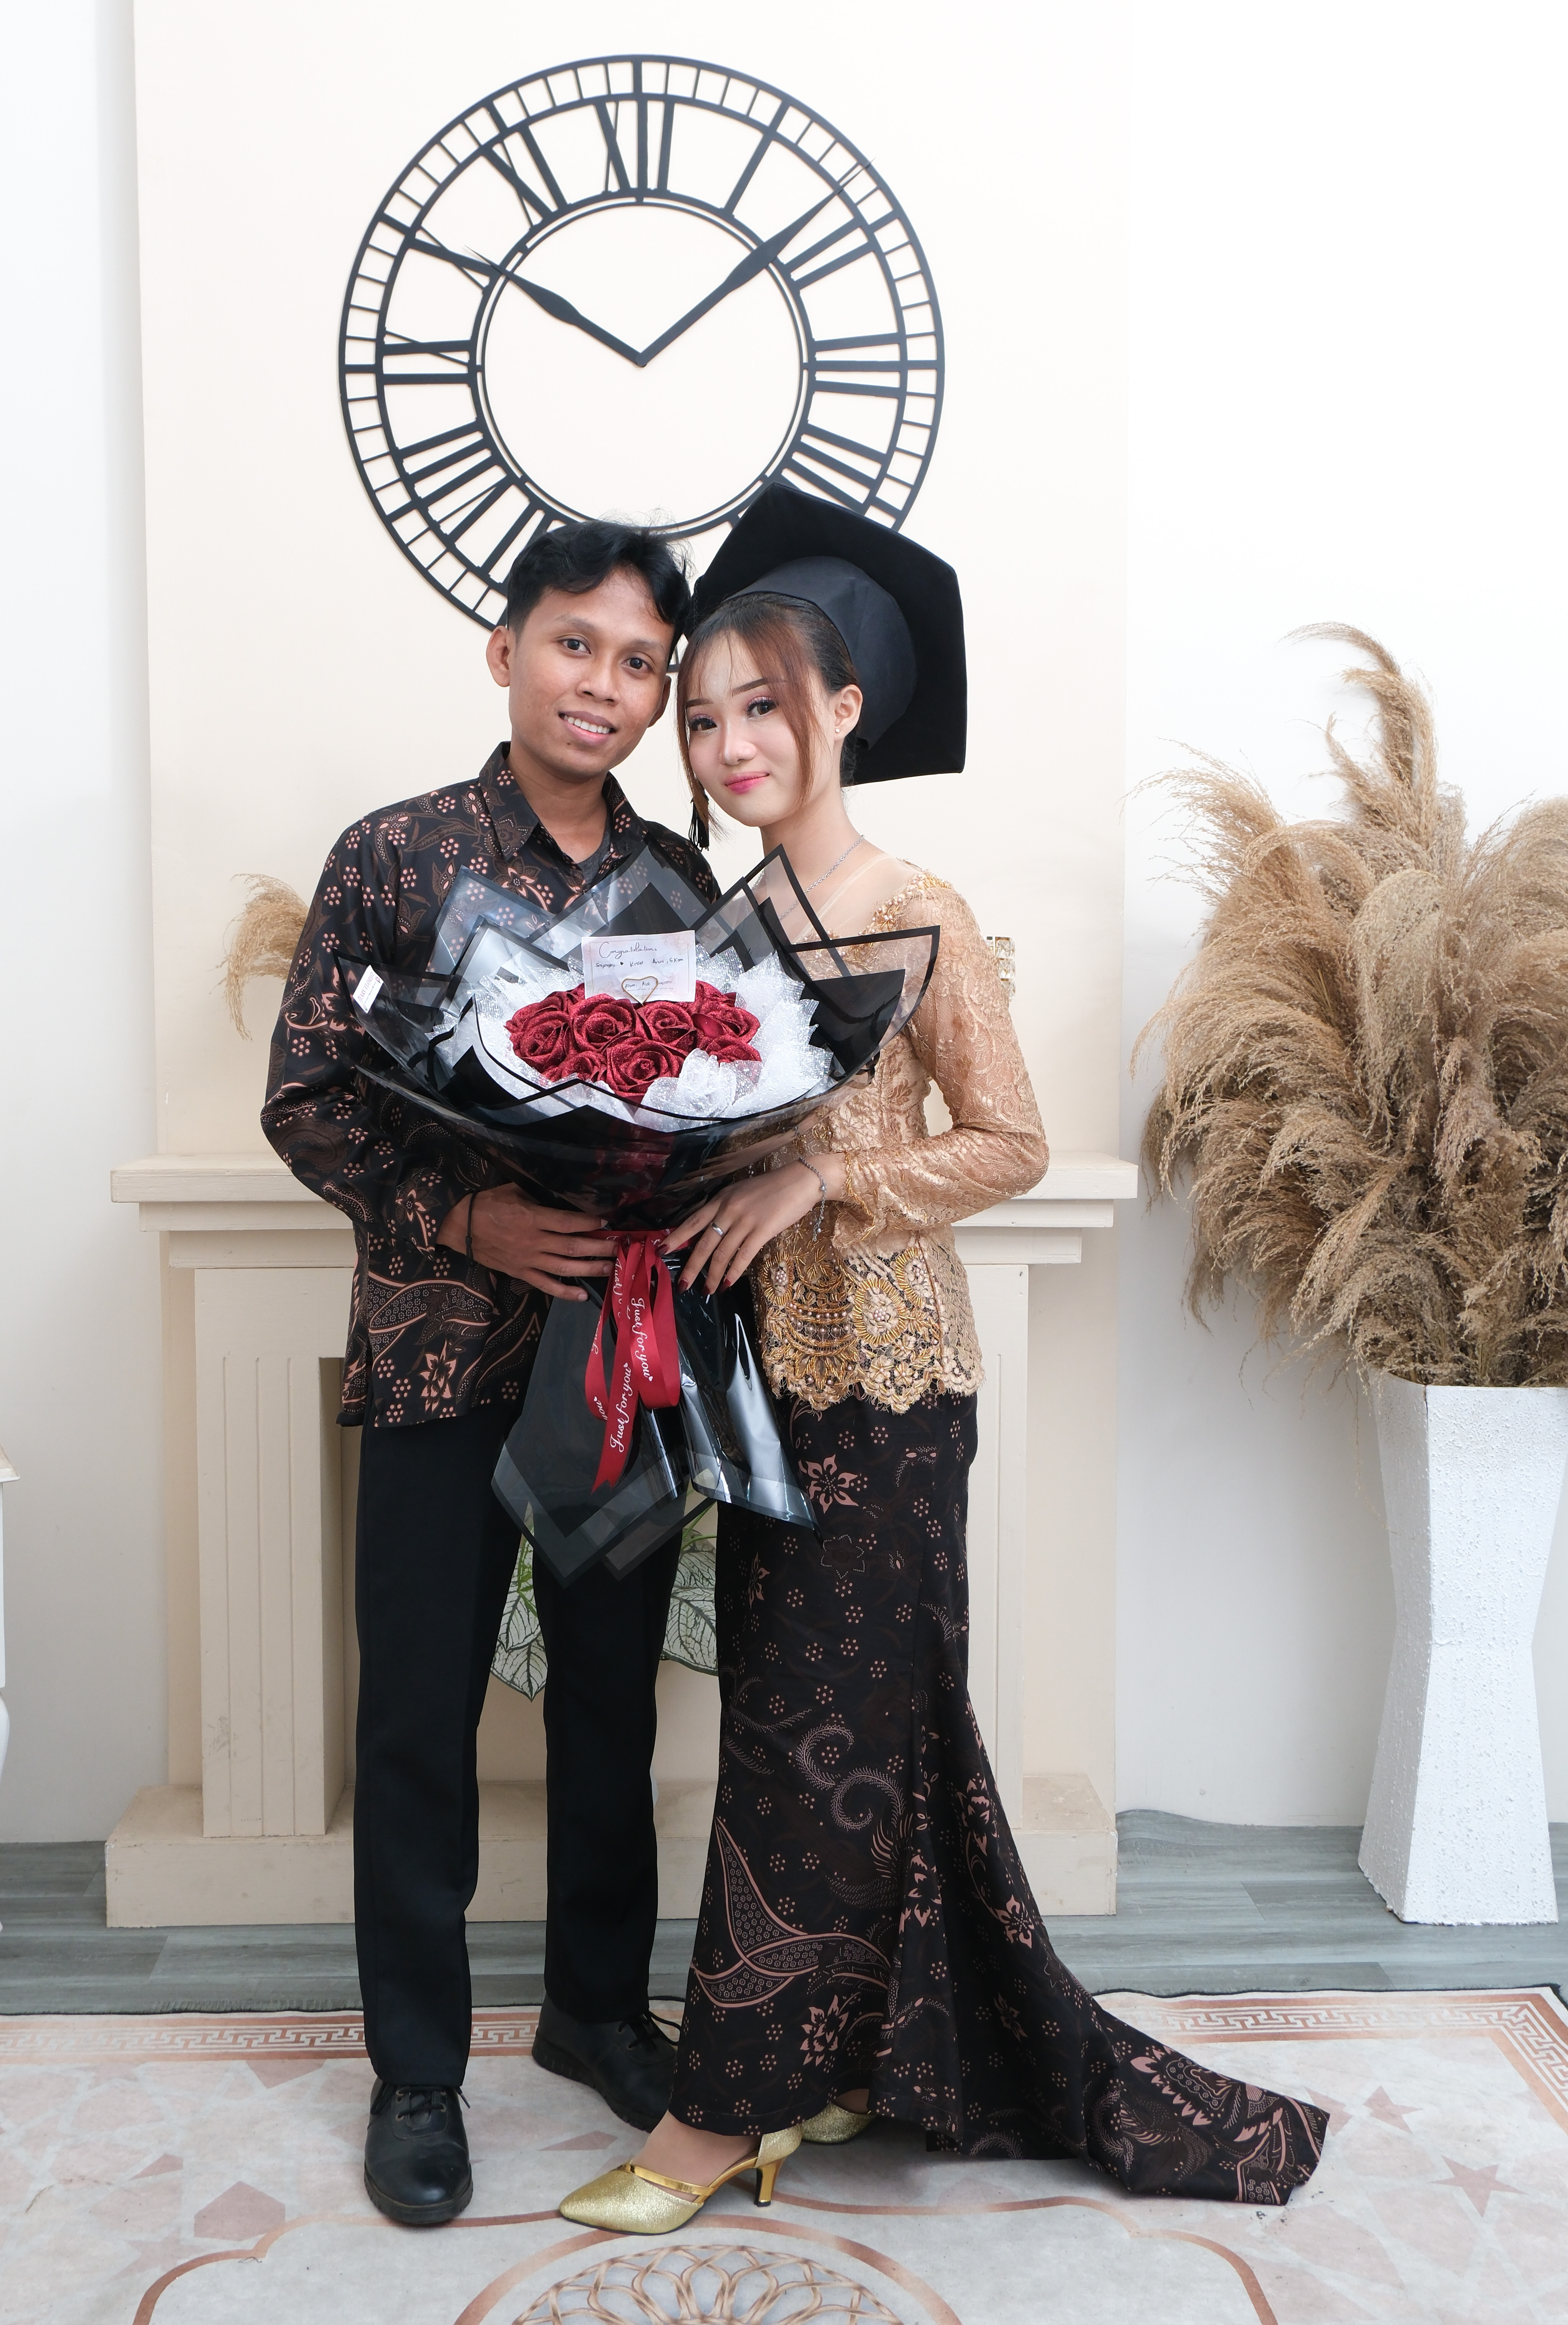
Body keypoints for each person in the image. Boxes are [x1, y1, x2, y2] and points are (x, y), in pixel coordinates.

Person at [560, 486, 1327, 2233]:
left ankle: (718, 2115)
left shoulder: (921, 909)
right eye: (703, 715)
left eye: (763, 705)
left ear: (841, 711)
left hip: (892, 1383)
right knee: (838, 1728)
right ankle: (854, 2057)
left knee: (810, 1734)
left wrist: (826, 1177)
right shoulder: (719, 919)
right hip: (758, 1382)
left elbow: (1012, 1141)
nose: (728, 743)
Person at [262, 521, 719, 2229]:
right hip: (438, 1357)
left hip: (614, 1361)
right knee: (418, 1717)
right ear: (504, 649)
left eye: (637, 662)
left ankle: (596, 2007)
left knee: (610, 1702)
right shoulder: (393, 855)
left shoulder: (681, 881)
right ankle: (416, 2074)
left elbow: (713, 1080)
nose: (602, 683)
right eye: (573, 643)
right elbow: (307, 1095)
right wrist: (467, 1214)